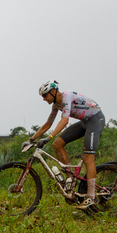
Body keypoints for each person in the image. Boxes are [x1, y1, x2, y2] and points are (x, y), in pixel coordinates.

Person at [31, 81, 104, 209]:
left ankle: (91, 197)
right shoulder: (56, 104)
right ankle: (70, 179)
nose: (43, 99)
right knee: (57, 144)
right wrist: (31, 139)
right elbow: (48, 124)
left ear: (53, 92)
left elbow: (65, 120)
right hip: (84, 122)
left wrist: (48, 137)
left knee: (88, 159)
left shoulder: (66, 97)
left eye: (45, 95)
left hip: (95, 120)